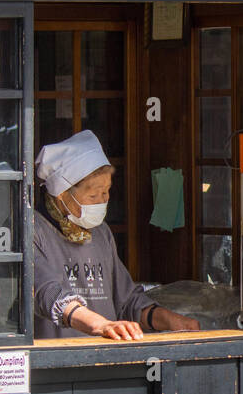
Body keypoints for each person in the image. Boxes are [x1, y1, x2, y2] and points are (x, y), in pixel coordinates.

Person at [33, 130, 199, 340]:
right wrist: (101, 325)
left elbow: (127, 301)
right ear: (62, 195)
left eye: (107, 191)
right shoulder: (33, 230)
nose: (103, 200)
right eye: (93, 195)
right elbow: (46, 293)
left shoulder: (101, 233)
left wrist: (170, 320)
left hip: (107, 357)